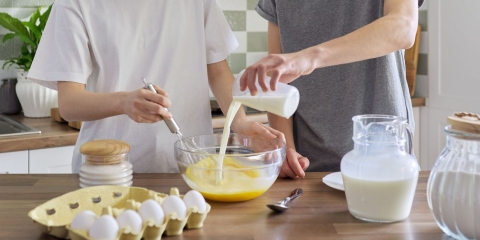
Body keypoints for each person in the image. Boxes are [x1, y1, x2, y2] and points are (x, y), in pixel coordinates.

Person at [27, 0, 284, 173]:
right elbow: (70, 103)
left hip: (190, 170)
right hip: (107, 171)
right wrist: (124, 102)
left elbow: (217, 72)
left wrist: (239, 124)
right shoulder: (74, 4)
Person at [240, 0, 424, 175]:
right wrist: (286, 149)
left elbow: (404, 27)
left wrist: (309, 58)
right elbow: (276, 80)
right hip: (306, 165)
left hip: (384, 157)